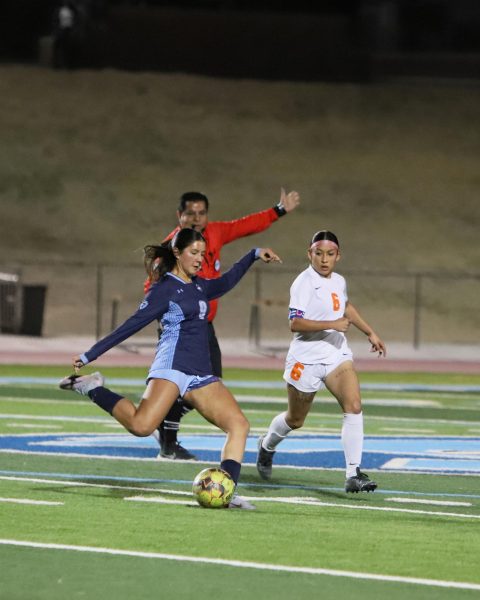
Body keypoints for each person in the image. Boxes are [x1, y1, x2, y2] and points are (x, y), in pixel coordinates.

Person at [59, 228, 282, 509]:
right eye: (194, 253)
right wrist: (90, 353)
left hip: (200, 372)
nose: (200, 259)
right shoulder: (164, 289)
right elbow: (132, 324)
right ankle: (92, 387)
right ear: (177, 252)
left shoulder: (199, 285)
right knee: (141, 426)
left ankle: (227, 492)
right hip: (172, 366)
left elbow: (225, 282)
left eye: (203, 253)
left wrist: (252, 255)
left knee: (239, 425)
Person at [149, 188, 300, 460]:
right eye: (190, 213)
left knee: (205, 382)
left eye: (201, 213)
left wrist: (278, 210)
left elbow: (243, 226)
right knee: (201, 384)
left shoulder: (214, 233)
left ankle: (165, 434)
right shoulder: (169, 250)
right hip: (183, 330)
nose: (196, 219)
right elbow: (151, 289)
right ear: (179, 216)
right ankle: (164, 432)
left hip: (204, 326)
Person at [256, 230, 387, 493]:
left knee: (354, 406)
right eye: (319, 253)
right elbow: (295, 323)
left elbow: (345, 306)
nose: (324, 259)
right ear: (310, 254)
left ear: (338, 256)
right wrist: (332, 324)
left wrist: (369, 331)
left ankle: (353, 474)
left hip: (336, 354)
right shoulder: (303, 283)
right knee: (295, 420)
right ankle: (266, 445)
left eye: (330, 254)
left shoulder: (338, 280)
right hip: (305, 360)